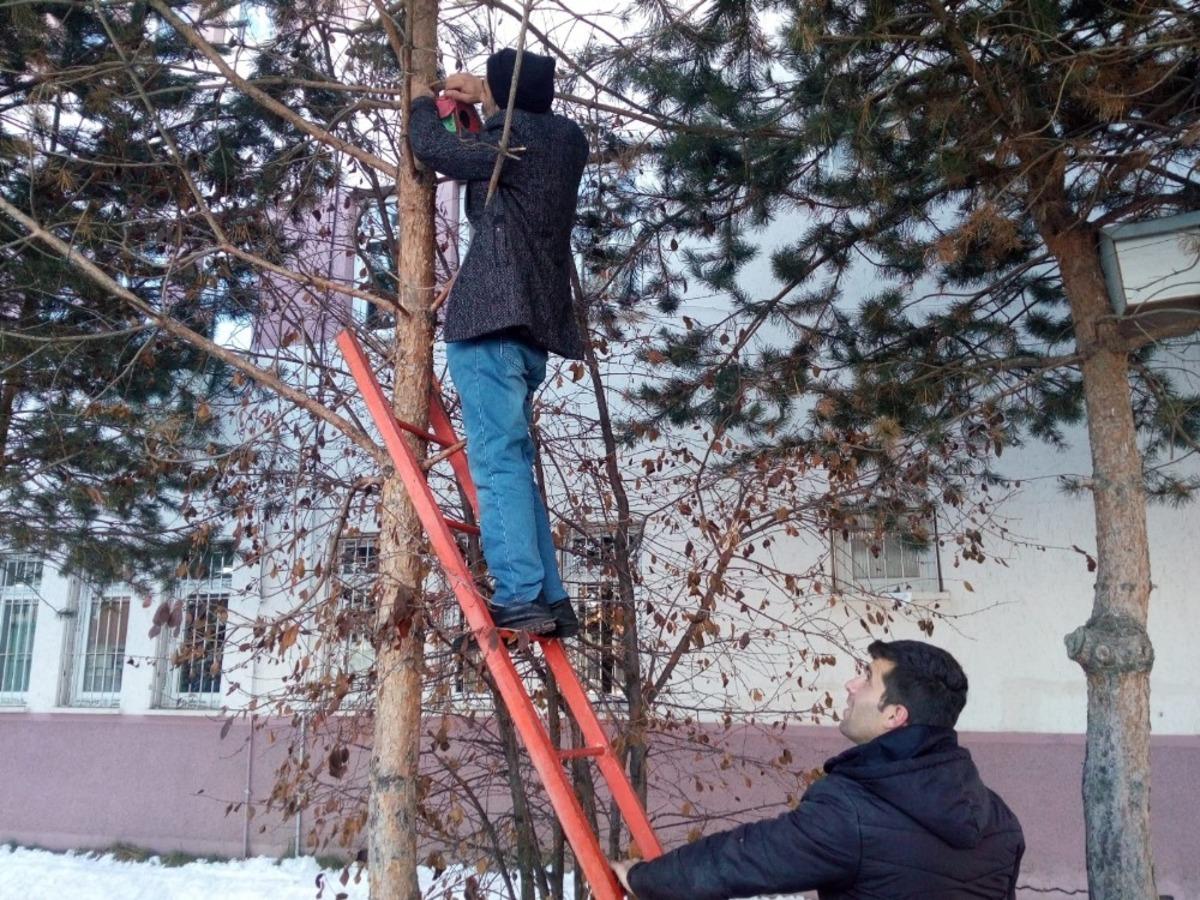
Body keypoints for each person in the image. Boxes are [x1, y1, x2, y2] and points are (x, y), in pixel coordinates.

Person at [611, 640, 1025, 899]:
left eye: (866, 679)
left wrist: (645, 878)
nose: (850, 685)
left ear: (895, 715)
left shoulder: (852, 812)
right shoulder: (1001, 820)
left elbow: (744, 859)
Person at [407, 49, 588, 638]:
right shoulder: (566, 140)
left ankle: (519, 595)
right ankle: (550, 597)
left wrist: (416, 104)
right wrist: (487, 96)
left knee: (496, 464)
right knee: (514, 463)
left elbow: (437, 151)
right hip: (532, 332)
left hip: (489, 326)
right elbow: (515, 125)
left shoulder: (517, 138)